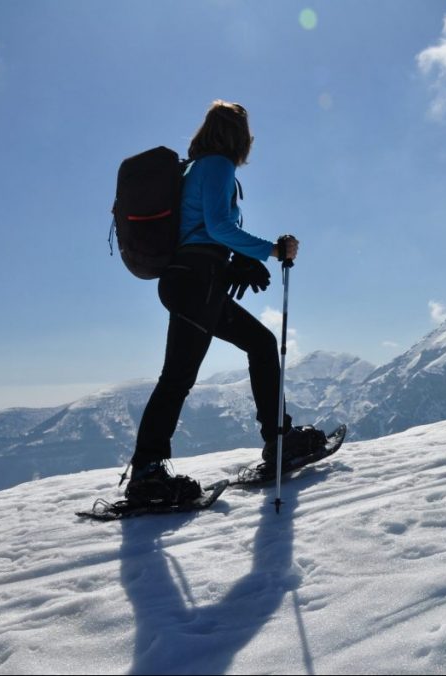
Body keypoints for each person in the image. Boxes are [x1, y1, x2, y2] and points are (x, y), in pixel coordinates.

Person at [122, 100, 321, 506]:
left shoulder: (195, 168)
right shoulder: (217, 166)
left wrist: (234, 264)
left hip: (193, 279)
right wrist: (272, 250)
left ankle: (277, 439)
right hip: (198, 282)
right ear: (238, 137)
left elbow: (200, 232)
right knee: (178, 377)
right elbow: (217, 226)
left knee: (260, 344)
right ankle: (146, 474)